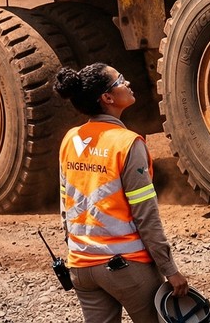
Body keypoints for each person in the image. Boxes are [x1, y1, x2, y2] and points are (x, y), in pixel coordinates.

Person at [54, 62, 188, 323]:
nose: (127, 83)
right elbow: (146, 216)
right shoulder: (128, 143)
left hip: (81, 267)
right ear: (107, 97)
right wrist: (170, 270)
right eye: (120, 80)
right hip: (125, 266)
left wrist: (78, 250)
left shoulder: (70, 139)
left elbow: (65, 205)